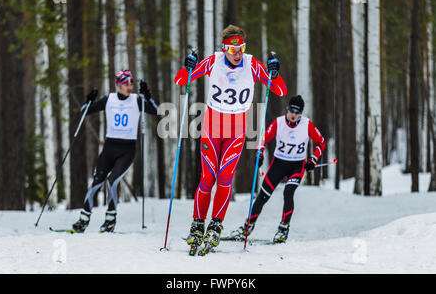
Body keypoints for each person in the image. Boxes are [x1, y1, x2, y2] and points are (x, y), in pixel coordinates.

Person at [174, 24, 288, 252]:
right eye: (232, 49)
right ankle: (198, 225)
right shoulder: (213, 62)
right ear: (224, 48)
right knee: (208, 178)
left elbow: (280, 91)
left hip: (236, 132)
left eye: (241, 48)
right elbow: (180, 81)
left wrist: (274, 73)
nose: (237, 53)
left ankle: (215, 226)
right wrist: (188, 67)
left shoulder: (252, 64)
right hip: (211, 129)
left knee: (224, 179)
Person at [228, 95, 326, 243]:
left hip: (297, 165)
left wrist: (313, 159)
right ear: (287, 109)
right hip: (278, 163)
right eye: (291, 110)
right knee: (262, 196)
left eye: (297, 112)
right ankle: (247, 228)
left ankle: (283, 229)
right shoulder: (279, 122)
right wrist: (259, 154)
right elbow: (263, 140)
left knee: (288, 192)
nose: (293, 115)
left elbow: (321, 142)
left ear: (301, 113)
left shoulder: (307, 125)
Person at [71, 70, 158, 233]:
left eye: (131, 83)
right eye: (126, 84)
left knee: (112, 182)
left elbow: (155, 110)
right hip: (109, 148)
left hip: (127, 150)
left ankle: (110, 221)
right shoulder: (109, 99)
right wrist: (89, 101)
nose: (130, 87)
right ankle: (83, 220)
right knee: (97, 181)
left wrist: (148, 95)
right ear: (118, 85)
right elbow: (84, 111)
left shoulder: (137, 100)